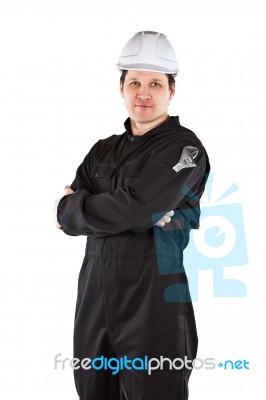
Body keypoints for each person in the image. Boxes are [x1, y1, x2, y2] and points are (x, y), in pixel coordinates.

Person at [54, 31, 210, 400]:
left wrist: (83, 207)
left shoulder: (184, 149)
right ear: (121, 87)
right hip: (94, 295)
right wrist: (73, 210)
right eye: (135, 82)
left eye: (155, 83)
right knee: (92, 389)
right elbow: (66, 217)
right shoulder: (102, 149)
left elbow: (137, 207)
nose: (144, 93)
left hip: (153, 299)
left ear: (171, 90)